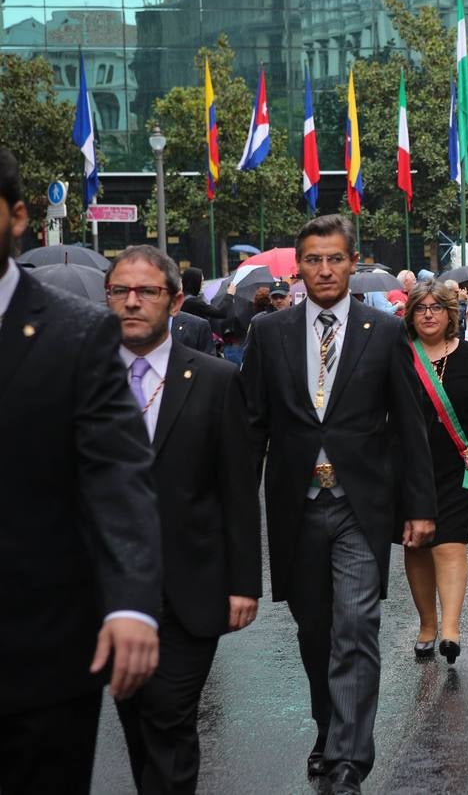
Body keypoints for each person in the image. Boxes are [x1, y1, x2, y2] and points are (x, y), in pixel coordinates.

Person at [241, 214, 434, 794]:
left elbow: (408, 424)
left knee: (356, 626)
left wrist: (419, 505)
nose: (324, 270)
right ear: (298, 269)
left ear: (354, 263)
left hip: (360, 507)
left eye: (334, 259)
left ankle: (350, 760)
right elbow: (252, 426)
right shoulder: (269, 334)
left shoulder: (384, 330)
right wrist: (229, 511)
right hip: (296, 507)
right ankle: (328, 729)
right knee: (315, 630)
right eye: (312, 260)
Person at [0, 149, 162, 794]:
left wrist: (131, 605)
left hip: (41, 653)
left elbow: (117, 475)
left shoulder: (79, 334)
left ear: (17, 217)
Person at [104, 245, 262, 794]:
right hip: (107, 589)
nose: (131, 302)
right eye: (120, 292)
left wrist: (244, 583)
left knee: (169, 717)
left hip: (189, 586)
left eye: (146, 292)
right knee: (136, 720)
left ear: (174, 301)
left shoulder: (216, 380)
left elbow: (238, 488)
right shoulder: (86, 375)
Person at [401, 280, 468, 666]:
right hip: (408, 469)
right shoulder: (398, 355)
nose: (428, 314)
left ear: (451, 314)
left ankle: (451, 630)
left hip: (459, 467)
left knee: (450, 543)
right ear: (410, 315)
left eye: (437, 307)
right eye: (421, 308)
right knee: (417, 545)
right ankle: (428, 625)